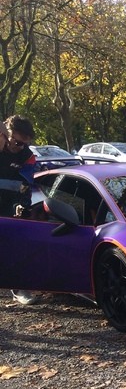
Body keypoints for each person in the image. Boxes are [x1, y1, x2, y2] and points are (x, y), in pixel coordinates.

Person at [0, 115, 37, 305]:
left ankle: (18, 288)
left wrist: (22, 205)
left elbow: (26, 186)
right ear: (6, 134)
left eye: (25, 143)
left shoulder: (28, 157)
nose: (21, 147)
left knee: (15, 247)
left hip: (8, 208)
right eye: (18, 142)